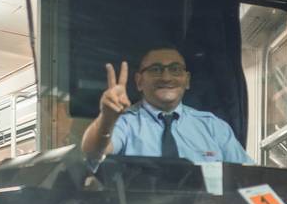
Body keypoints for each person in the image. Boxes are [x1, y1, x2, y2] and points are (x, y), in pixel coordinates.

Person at [81, 48, 253, 165]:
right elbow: (93, 152)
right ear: (139, 82)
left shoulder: (213, 127)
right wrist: (107, 119)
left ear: (187, 80)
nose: (166, 77)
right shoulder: (125, 123)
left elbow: (248, 178)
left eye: (175, 69)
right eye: (156, 70)